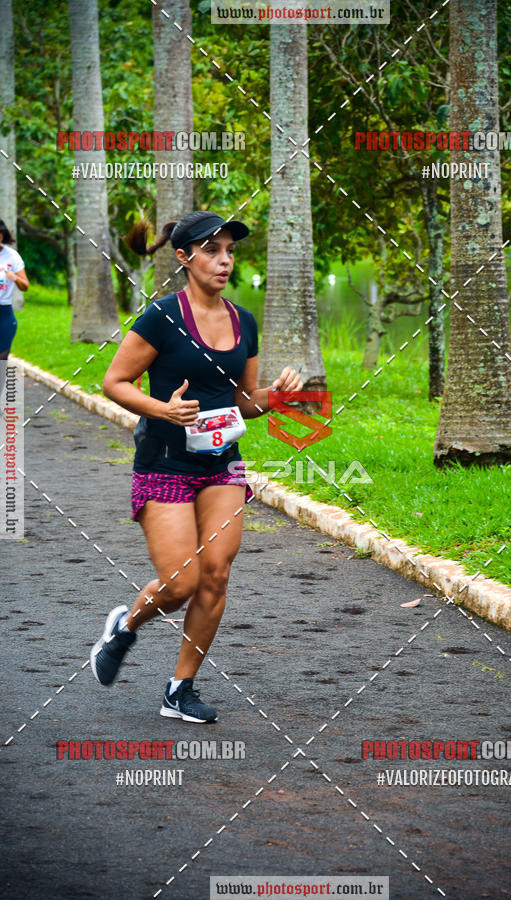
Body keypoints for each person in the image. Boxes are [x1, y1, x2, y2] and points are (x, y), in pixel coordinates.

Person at [90, 210, 302, 723]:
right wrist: (164, 409)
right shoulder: (161, 317)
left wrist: (275, 396)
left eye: (229, 251)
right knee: (181, 581)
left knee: (216, 575)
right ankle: (125, 626)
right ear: (184, 258)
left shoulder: (243, 322)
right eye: (212, 251)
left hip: (222, 463)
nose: (224, 261)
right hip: (165, 460)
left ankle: (179, 689)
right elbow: (114, 382)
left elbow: (243, 400)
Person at [0, 220, 29, 362]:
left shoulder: (12, 256)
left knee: (2, 358)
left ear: (3, 235)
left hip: (4, 311)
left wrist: (14, 278)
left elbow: (25, 285)